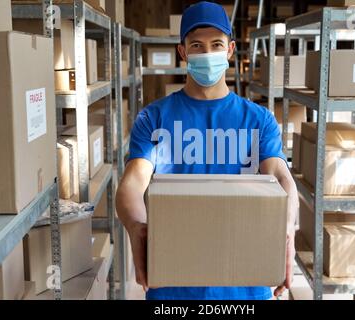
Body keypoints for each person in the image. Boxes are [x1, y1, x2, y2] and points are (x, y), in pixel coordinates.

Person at [116, 1, 298, 300]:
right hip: (174, 287)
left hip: (245, 288)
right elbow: (133, 182)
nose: (207, 53)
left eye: (216, 44)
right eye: (197, 45)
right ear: (183, 52)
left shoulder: (258, 119)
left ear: (230, 49)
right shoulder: (154, 117)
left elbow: (280, 176)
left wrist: (287, 230)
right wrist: (137, 226)